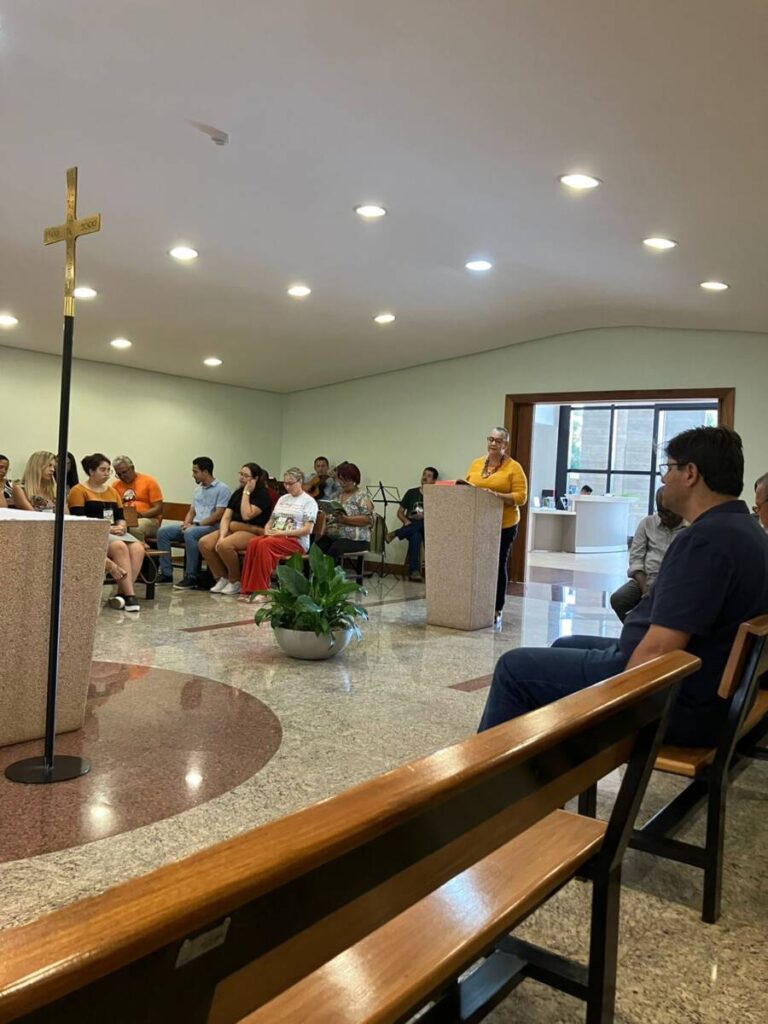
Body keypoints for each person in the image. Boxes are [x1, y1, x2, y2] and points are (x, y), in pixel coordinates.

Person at [479, 426, 768, 748]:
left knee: (513, 668)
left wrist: (617, 707)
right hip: (703, 686)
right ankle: (545, 764)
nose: (663, 478)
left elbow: (659, 650)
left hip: (678, 701)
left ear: (690, 473)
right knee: (565, 642)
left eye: (668, 468)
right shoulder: (748, 531)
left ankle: (487, 777)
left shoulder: (704, 541)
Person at [465, 427, 528, 626]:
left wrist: (497, 496)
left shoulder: (514, 467)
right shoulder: (476, 463)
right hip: (478, 523)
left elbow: (521, 497)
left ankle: (496, 608)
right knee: (477, 564)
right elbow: (467, 487)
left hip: (504, 524)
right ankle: (476, 605)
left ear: (505, 445)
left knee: (497, 564)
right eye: (490, 439)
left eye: (498, 441)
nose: (493, 443)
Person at [68, 453, 145, 612]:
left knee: (138, 547)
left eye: (108, 470)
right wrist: (107, 528)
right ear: (91, 471)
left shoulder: (112, 491)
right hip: (92, 533)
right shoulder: (79, 490)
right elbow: (79, 520)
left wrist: (122, 526)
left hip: (115, 532)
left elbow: (120, 517)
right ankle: (130, 595)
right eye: (102, 470)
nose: (107, 473)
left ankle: (122, 594)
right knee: (119, 546)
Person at [238, 468, 317, 602]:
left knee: (264, 545)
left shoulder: (309, 502)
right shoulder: (282, 499)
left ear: (300, 482)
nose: (287, 487)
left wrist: (282, 533)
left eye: (291, 483)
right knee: (253, 542)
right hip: (277, 537)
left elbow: (307, 530)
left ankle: (262, 590)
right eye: (285, 483)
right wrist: (267, 529)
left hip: (296, 541)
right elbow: (271, 521)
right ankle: (247, 589)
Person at [609, 488, 686, 622]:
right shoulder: (647, 524)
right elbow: (636, 559)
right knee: (619, 599)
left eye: (669, 512)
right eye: (661, 512)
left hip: (675, 583)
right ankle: (636, 629)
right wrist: (645, 588)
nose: (665, 517)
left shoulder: (691, 527)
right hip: (647, 579)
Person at [156, 457, 231, 588]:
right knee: (163, 532)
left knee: (190, 533)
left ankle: (191, 576)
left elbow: (219, 514)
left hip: (212, 527)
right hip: (195, 526)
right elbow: (192, 511)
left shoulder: (222, 489)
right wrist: (185, 524)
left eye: (195, 472)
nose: (193, 475)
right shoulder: (198, 490)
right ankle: (166, 573)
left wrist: (196, 525)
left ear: (205, 472)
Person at [199, 463, 272, 595]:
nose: (241, 478)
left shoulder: (262, 494)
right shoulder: (237, 493)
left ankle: (235, 580)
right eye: (241, 474)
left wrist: (246, 493)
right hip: (233, 528)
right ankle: (222, 578)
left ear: (255, 478)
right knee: (205, 543)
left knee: (225, 545)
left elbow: (246, 515)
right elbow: (226, 517)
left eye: (246, 476)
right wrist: (222, 535)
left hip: (252, 531)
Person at [314, 462, 374, 565]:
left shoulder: (362, 496)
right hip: (335, 535)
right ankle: (311, 574)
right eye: (341, 480)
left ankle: (329, 575)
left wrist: (346, 520)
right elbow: (329, 515)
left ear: (355, 480)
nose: (343, 483)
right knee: (316, 548)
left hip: (357, 539)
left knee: (335, 548)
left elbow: (369, 520)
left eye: (346, 480)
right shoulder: (336, 496)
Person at [385, 467, 439, 580]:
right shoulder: (411, 492)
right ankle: (414, 571)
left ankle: (395, 533)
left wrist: (424, 516)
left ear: (434, 481)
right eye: (424, 474)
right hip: (411, 524)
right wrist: (406, 521)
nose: (425, 477)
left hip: (427, 526)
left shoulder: (436, 496)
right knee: (415, 535)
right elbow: (400, 512)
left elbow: (438, 517)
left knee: (421, 523)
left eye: (429, 476)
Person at [112, 455, 164, 542]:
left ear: (132, 468)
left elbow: (158, 508)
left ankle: (140, 549)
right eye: (119, 474)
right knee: (111, 528)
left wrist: (140, 515)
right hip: (125, 519)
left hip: (149, 519)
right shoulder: (115, 485)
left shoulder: (149, 481)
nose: (122, 476)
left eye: (124, 472)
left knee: (134, 528)